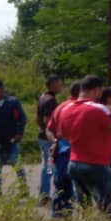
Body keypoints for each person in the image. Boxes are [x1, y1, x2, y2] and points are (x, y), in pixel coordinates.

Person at [62, 75, 111, 211]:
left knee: (83, 206)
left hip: (74, 162)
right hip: (97, 163)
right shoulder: (99, 109)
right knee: (106, 207)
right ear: (96, 90)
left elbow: (64, 135)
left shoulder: (65, 109)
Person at [47, 81, 80, 216]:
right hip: (76, 152)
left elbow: (49, 129)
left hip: (61, 150)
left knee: (61, 186)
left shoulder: (60, 107)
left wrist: (55, 141)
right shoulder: (85, 107)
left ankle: (59, 216)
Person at [35, 75, 63, 207]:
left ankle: (44, 192)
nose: (61, 85)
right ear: (53, 85)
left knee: (46, 165)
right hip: (48, 138)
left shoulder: (42, 97)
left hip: (42, 136)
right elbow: (48, 120)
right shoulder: (51, 100)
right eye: (59, 83)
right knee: (49, 166)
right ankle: (45, 194)